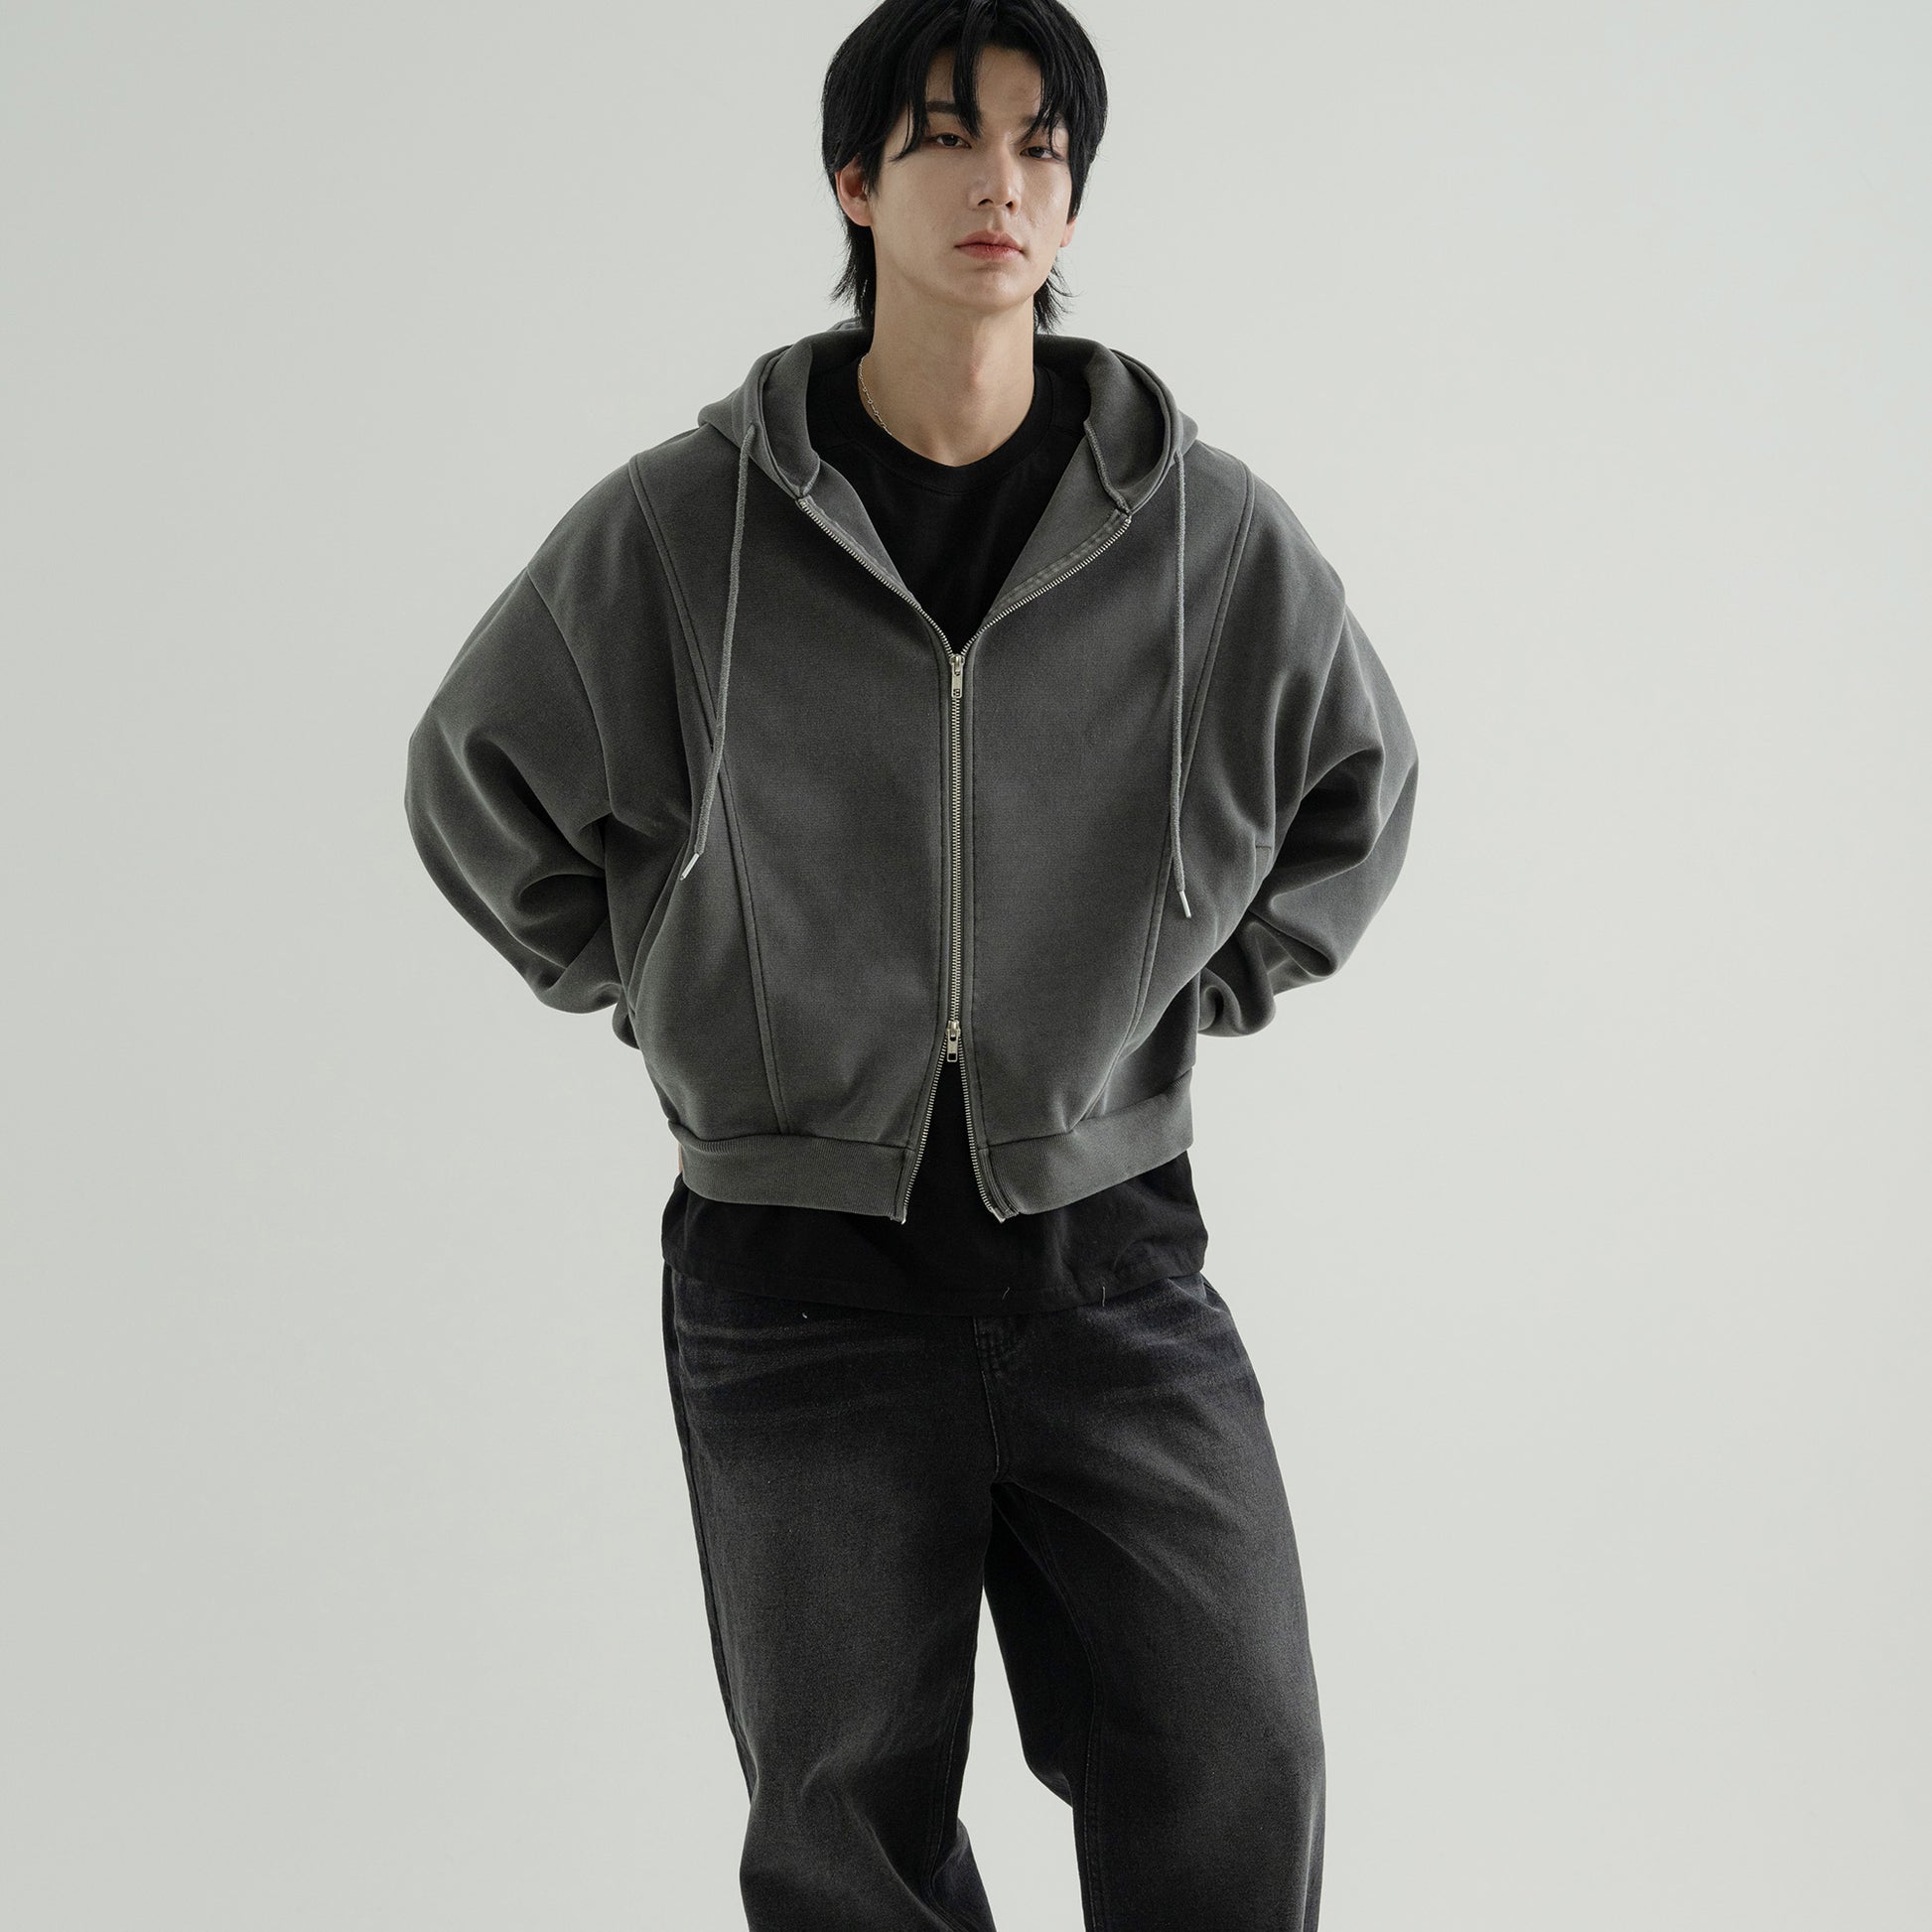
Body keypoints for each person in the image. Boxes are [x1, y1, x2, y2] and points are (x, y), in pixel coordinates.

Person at [403, 1, 1419, 1924]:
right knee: (844, 1831)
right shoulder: (684, 528)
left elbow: (1355, 787)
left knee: (1238, 1757)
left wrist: (1174, 994)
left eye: (1041, 147)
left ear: (1072, 202)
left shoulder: (1199, 534)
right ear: (855, 181)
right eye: (950, 137)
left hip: (1108, 1268)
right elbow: (478, 779)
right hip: (796, 1293)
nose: (1000, 182)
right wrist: (679, 986)